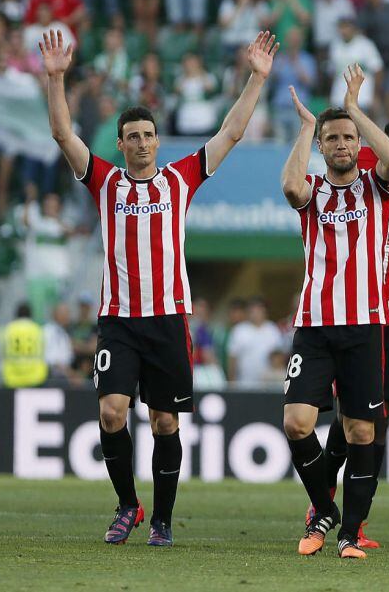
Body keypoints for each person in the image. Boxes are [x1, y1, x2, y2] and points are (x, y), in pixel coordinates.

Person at [40, 28, 278, 547]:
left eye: (150, 135)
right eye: (135, 136)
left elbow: (231, 133)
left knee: (165, 422)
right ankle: (128, 504)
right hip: (119, 320)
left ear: (156, 140)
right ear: (122, 143)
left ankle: (163, 521)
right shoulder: (104, 181)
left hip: (169, 320)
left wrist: (255, 80)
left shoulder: (179, 179)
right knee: (110, 411)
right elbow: (63, 134)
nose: (144, 143)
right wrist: (56, 78)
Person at [281, 64, 389, 560]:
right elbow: (290, 187)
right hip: (314, 326)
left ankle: (349, 534)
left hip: (363, 326)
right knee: (296, 424)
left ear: (358, 142)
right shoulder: (314, 191)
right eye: (332, 138)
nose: (342, 144)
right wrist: (307, 128)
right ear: (323, 146)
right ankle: (323, 509)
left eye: (348, 137)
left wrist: (354, 107)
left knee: (361, 433)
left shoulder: (376, 186)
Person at [308, 119, 389, 549]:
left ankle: (358, 521)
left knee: (377, 422)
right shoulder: (372, 185)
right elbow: (387, 163)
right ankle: (324, 504)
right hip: (361, 318)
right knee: (351, 420)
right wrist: (355, 111)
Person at [0, 303, 48, 388]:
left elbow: (1, 352)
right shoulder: (38, 330)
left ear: (16, 315)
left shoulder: (7, 329)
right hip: (35, 376)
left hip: (11, 377)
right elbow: (44, 352)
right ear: (31, 315)